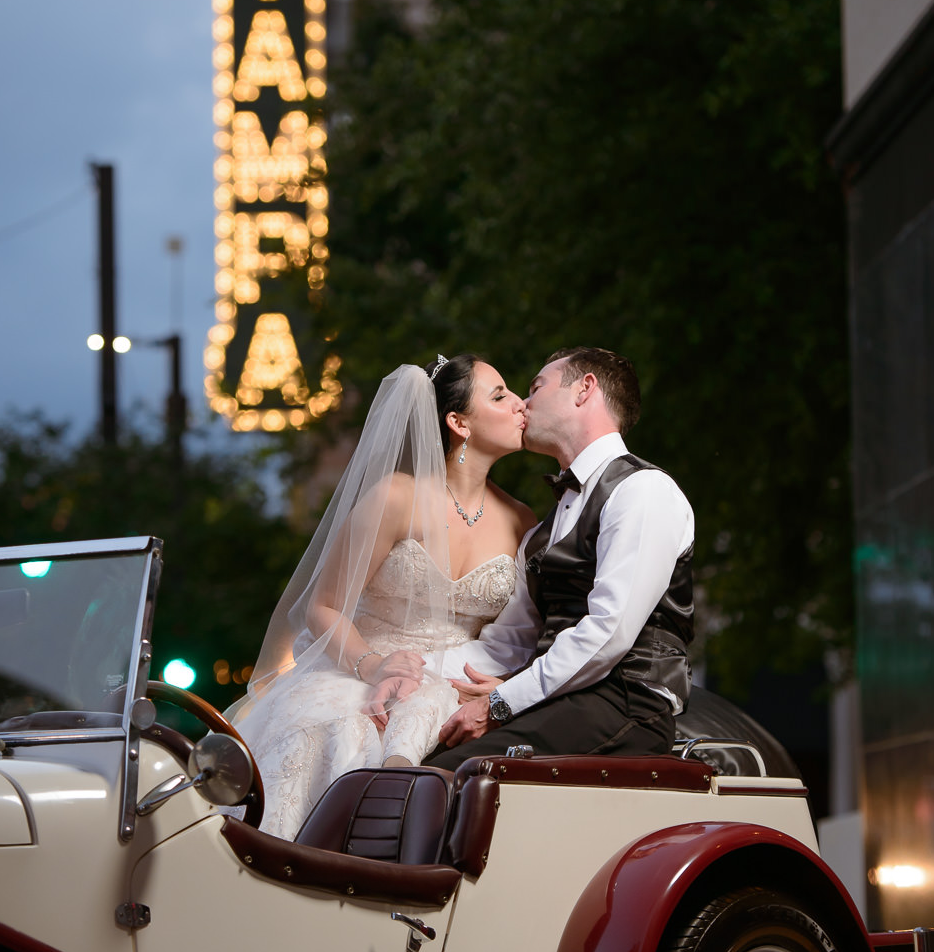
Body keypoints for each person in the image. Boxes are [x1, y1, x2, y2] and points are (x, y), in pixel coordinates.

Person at [230, 355, 533, 840]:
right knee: (345, 732)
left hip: (451, 684)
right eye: (500, 395)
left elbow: (516, 633)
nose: (522, 404)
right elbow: (323, 605)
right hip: (358, 665)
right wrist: (372, 666)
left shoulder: (523, 522)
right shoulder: (395, 498)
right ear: (458, 423)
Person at [427, 346, 695, 768]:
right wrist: (411, 674)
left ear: (584, 390)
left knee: (444, 776)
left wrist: (499, 703)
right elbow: (506, 643)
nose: (523, 403)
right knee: (411, 756)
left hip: (626, 703)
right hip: (558, 702)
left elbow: (609, 633)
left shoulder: (644, 491)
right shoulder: (540, 531)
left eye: (536, 387)